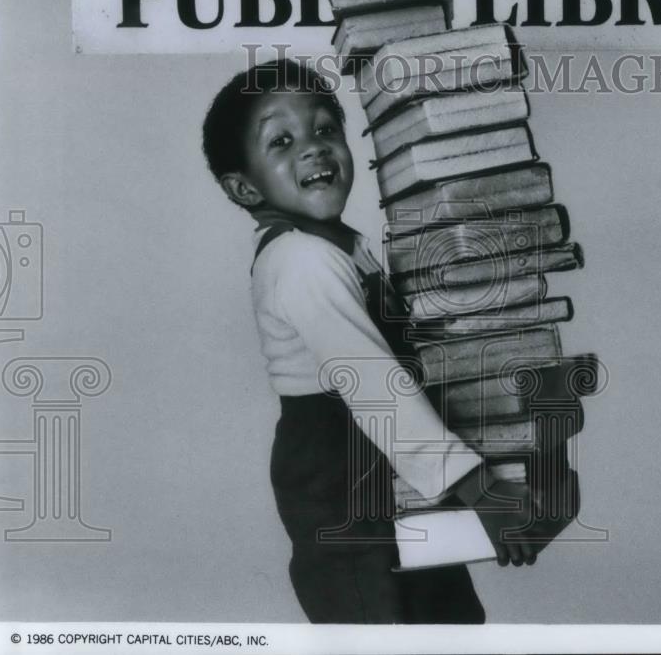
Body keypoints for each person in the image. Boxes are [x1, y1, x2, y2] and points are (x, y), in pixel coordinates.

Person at [201, 58, 539, 624]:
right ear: (244, 187)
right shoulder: (300, 260)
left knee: (447, 621)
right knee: (375, 623)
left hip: (390, 470)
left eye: (325, 129)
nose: (313, 148)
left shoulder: (338, 246)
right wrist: (481, 489)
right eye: (282, 141)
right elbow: (374, 386)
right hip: (340, 480)